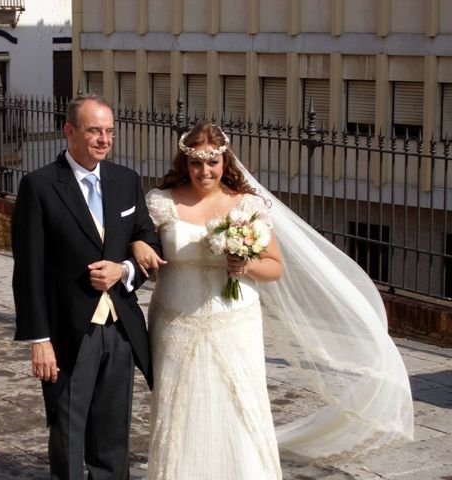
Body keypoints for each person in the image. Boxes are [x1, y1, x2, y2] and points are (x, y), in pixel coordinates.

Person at [133, 122, 414, 479]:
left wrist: (246, 264)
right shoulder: (161, 202)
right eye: (196, 163)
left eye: (213, 163)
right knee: (179, 405)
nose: (205, 171)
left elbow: (275, 267)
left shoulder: (246, 205)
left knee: (239, 404)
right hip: (175, 321)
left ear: (225, 161)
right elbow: (141, 247)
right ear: (185, 163)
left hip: (233, 322)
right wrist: (138, 244)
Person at [11, 94, 161, 480]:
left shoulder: (126, 181)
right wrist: (39, 340)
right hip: (66, 331)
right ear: (70, 131)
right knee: (68, 429)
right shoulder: (39, 186)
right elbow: (28, 271)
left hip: (120, 328)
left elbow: (148, 240)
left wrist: (125, 269)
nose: (104, 139)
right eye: (94, 131)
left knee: (113, 430)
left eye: (109, 131)